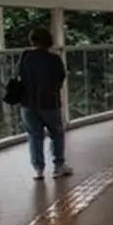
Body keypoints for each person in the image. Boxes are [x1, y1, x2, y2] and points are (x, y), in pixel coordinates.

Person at [17, 26, 72, 180]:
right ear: (49, 41)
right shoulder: (54, 59)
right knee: (56, 133)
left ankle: (38, 169)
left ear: (32, 41)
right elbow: (61, 78)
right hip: (49, 103)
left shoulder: (25, 56)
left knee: (34, 136)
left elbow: (20, 75)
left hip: (27, 103)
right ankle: (58, 166)